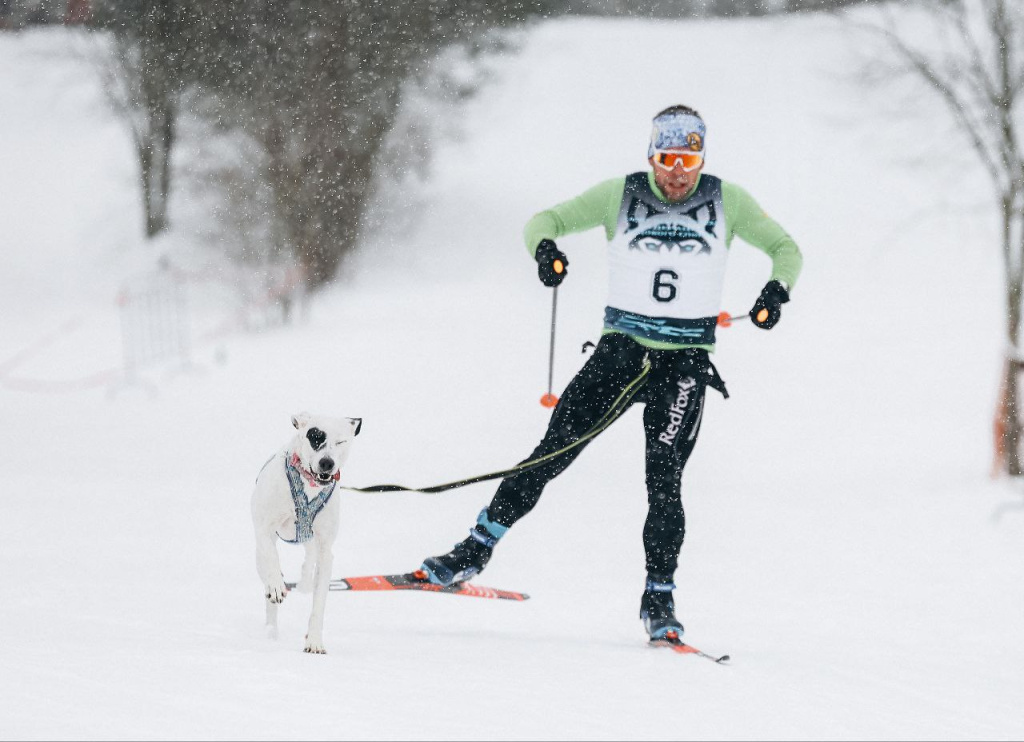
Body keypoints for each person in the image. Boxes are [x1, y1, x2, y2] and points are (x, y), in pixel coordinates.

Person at [420, 105, 803, 641]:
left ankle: (659, 598)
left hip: (685, 363)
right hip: (620, 352)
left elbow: (786, 248)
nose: (677, 172)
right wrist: (546, 250)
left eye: (689, 159)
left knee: (664, 480)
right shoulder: (618, 195)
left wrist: (775, 290)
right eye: (668, 158)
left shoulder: (727, 200)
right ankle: (474, 549)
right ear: (651, 154)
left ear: (701, 158)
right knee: (550, 454)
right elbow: (542, 222)